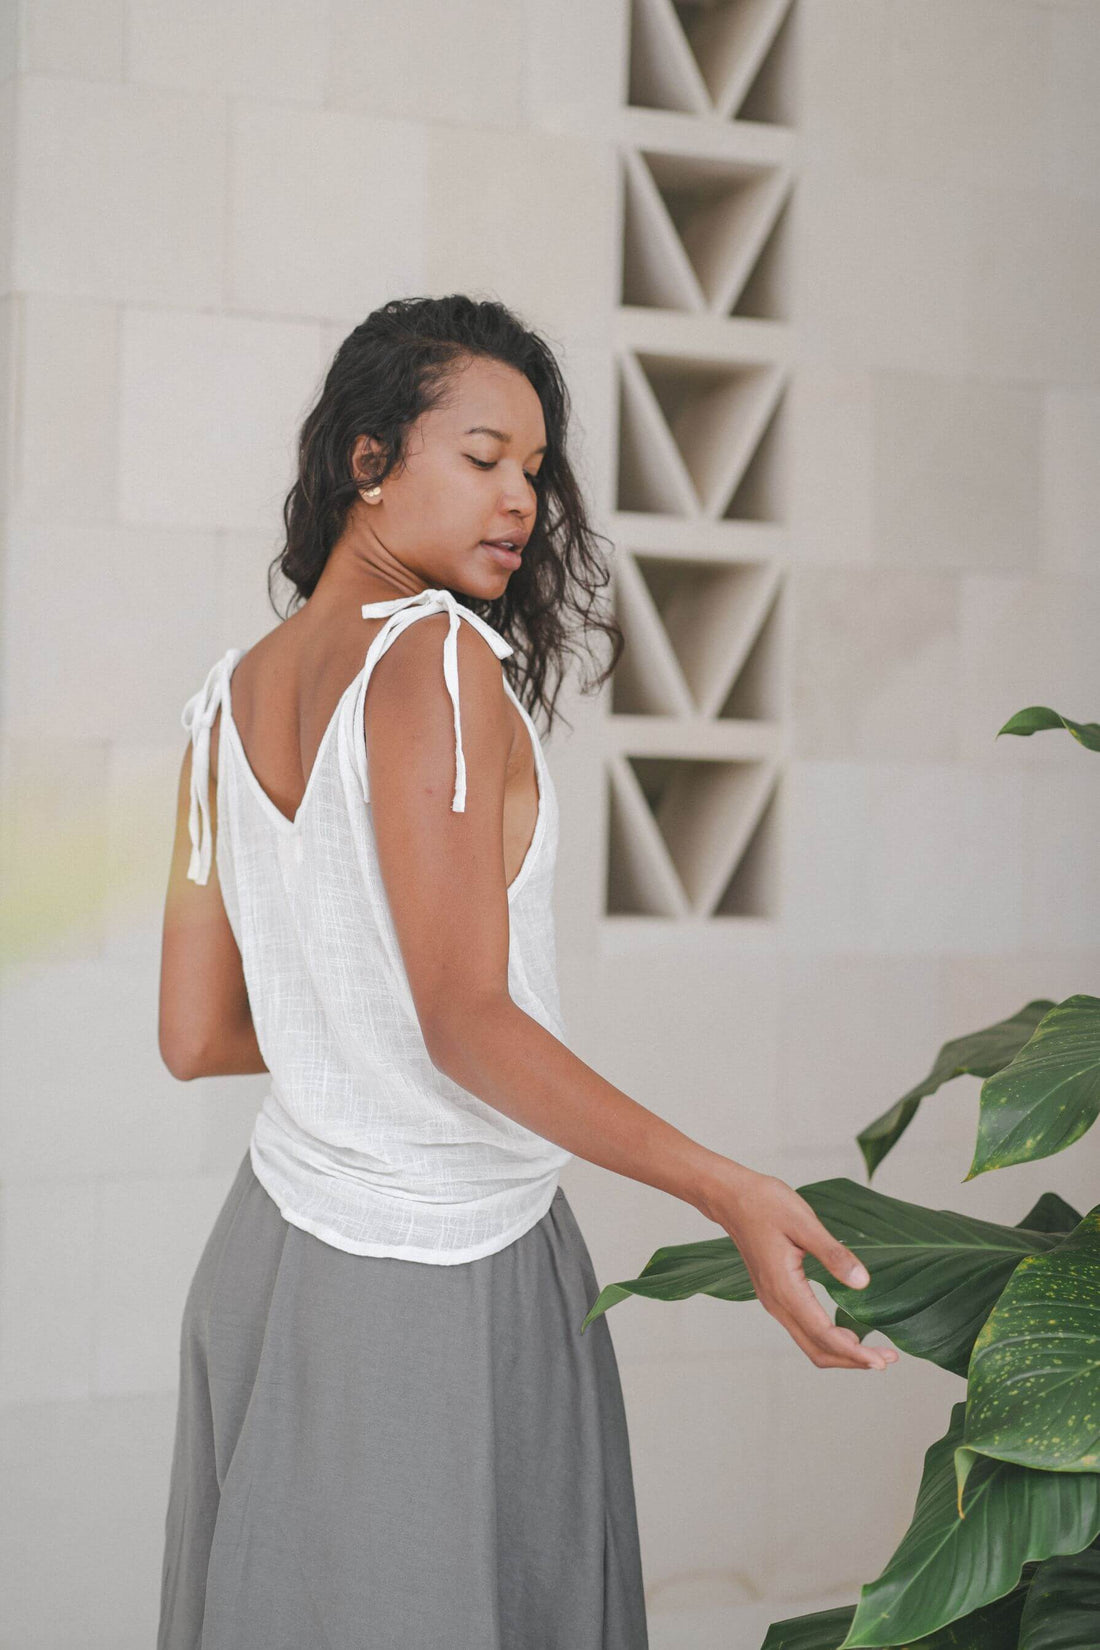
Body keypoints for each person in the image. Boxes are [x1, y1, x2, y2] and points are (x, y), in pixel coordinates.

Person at [156, 293, 896, 1650]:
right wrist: (729, 1188)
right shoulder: (436, 660)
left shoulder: (227, 695)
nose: (522, 501)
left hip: (268, 1258)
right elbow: (466, 1022)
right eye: (485, 457)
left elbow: (196, 1034)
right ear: (369, 460)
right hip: (441, 1278)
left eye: (537, 470)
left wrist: (351, 1017)